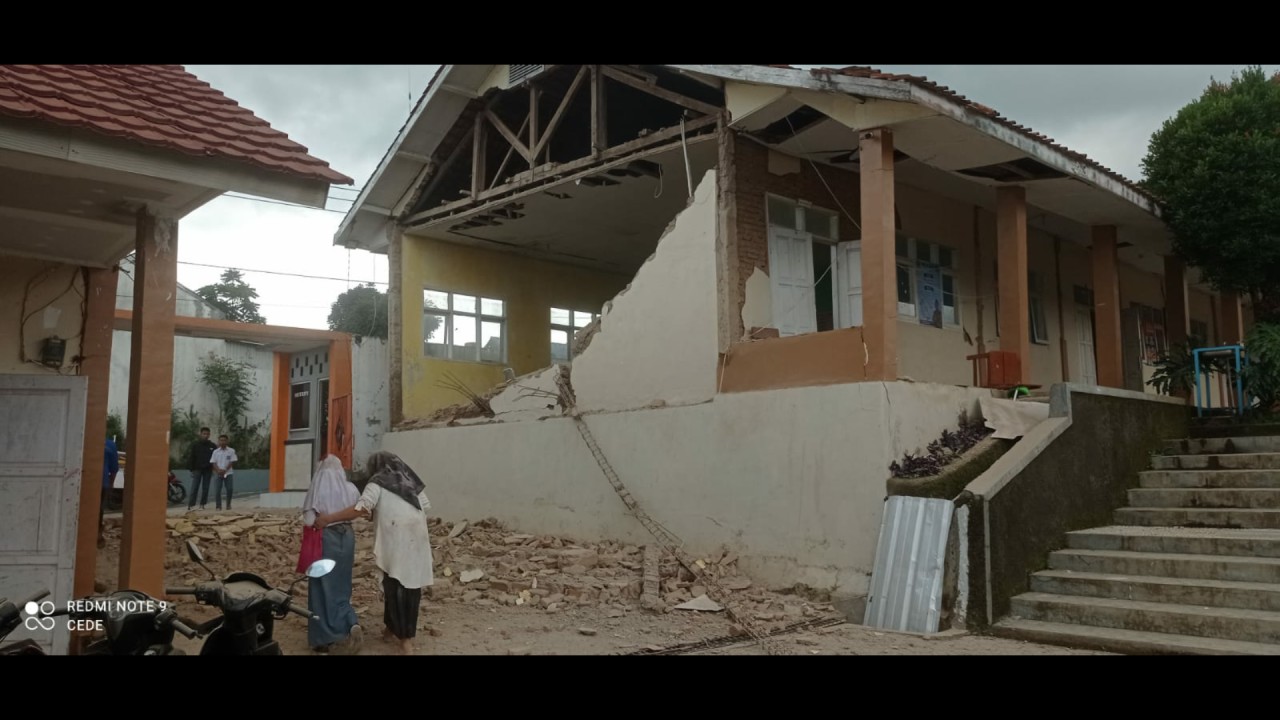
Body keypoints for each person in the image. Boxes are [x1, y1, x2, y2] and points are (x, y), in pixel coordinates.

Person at [316, 451, 433, 656]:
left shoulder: (377, 482)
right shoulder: (410, 481)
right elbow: (425, 506)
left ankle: (405, 641)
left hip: (396, 539)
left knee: (398, 587)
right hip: (417, 538)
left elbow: (360, 509)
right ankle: (390, 629)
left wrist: (328, 519)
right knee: (406, 584)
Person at [301, 455, 363, 655]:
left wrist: (324, 519)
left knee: (321, 586)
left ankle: (323, 640)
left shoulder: (316, 490)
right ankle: (349, 622)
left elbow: (309, 520)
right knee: (342, 584)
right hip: (347, 536)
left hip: (325, 539)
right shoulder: (351, 488)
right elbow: (360, 510)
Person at [187, 427, 217, 512]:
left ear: (209, 435)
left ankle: (202, 504)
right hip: (197, 469)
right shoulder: (195, 445)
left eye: (207, 434)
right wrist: (191, 469)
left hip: (208, 470)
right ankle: (191, 505)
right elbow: (192, 457)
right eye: (204, 434)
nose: (206, 435)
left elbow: (215, 458)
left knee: (205, 488)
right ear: (200, 434)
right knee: (194, 487)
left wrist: (214, 469)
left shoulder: (213, 446)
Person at [98, 437, 119, 548]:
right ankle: (97, 537)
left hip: (84, 481)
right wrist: (111, 484)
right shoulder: (110, 445)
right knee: (99, 511)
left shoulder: (85, 440)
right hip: (102, 483)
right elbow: (114, 469)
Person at [210, 434, 237, 511]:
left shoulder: (231, 451)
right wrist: (218, 470)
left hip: (228, 473)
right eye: (221, 440)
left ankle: (228, 505)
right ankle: (218, 506)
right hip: (218, 473)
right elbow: (213, 462)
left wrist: (225, 470)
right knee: (217, 490)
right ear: (218, 441)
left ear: (227, 441)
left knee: (229, 489)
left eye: (224, 440)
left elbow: (232, 462)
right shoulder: (215, 452)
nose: (223, 442)